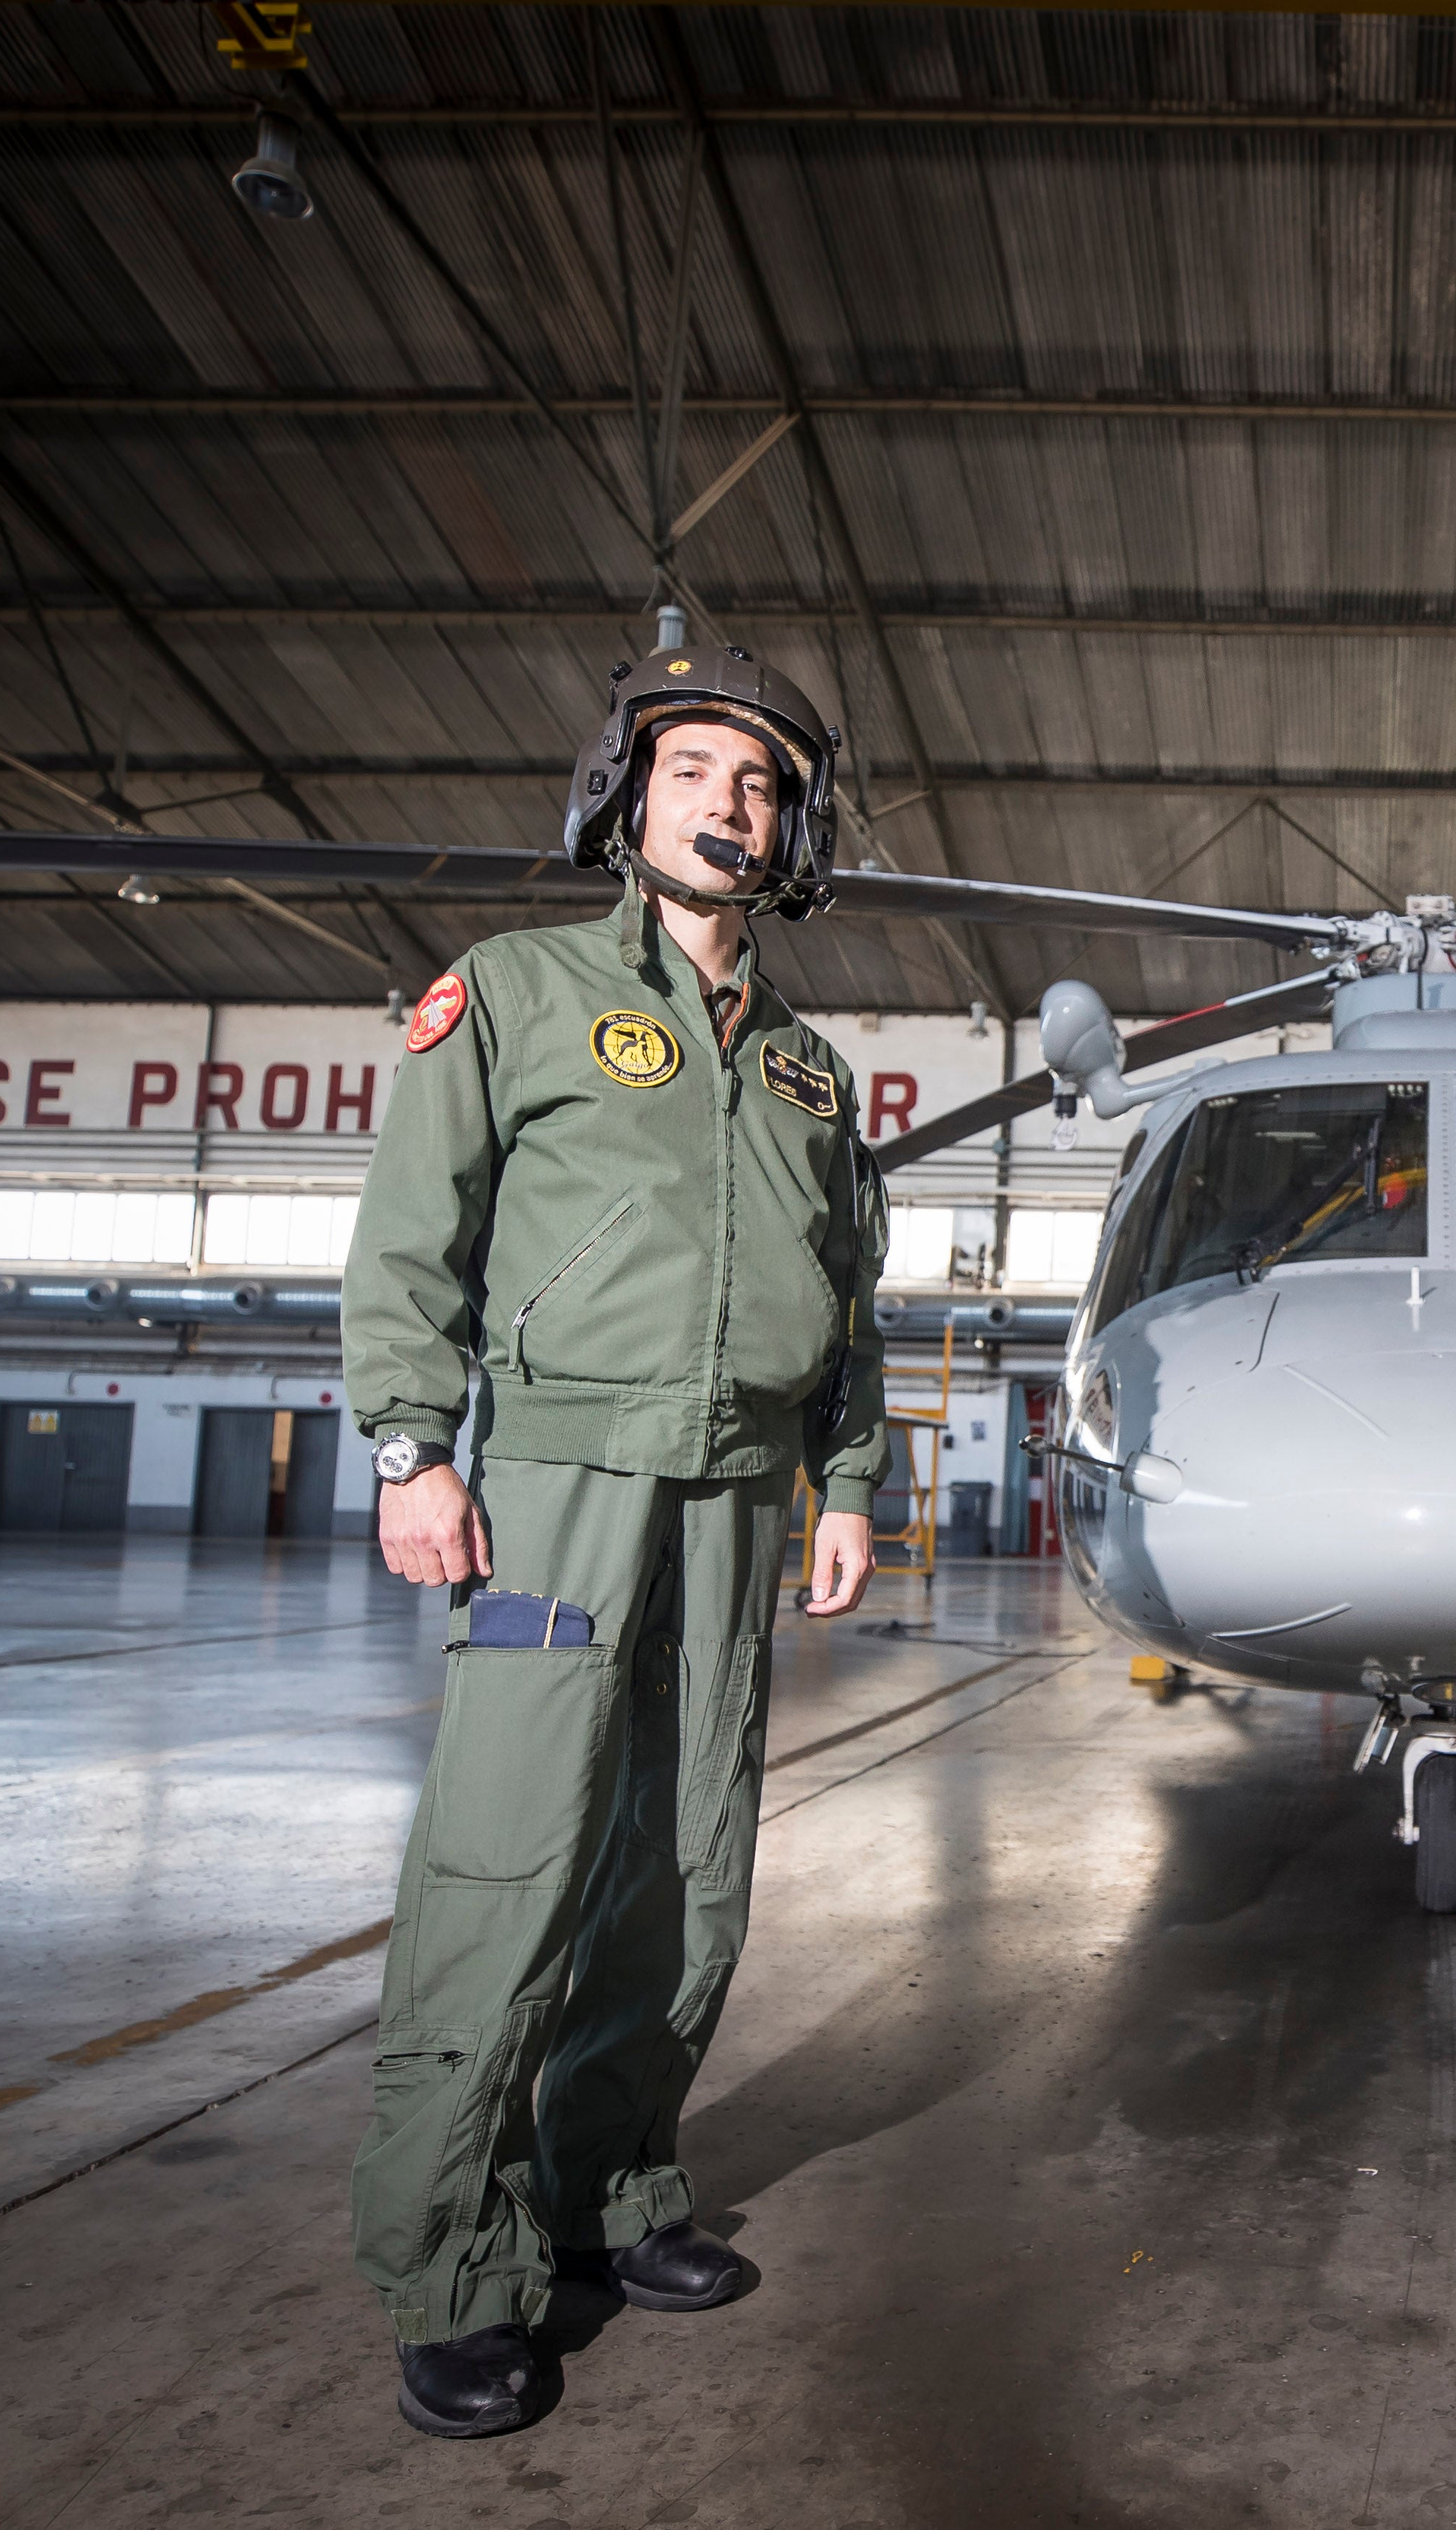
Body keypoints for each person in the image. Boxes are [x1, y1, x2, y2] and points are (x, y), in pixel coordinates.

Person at [341, 643, 889, 2437]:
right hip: (561, 1487)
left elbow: (851, 1303)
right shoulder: (512, 992)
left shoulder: (809, 1071)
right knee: (507, 1870)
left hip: (739, 1494)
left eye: (757, 780)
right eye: (694, 772)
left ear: (789, 825)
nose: (727, 801)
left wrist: (853, 1480)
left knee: (687, 1864)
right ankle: (452, 2262)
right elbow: (414, 1237)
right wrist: (415, 1447)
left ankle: (607, 2191)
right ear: (624, 798)